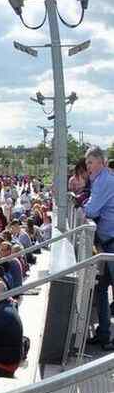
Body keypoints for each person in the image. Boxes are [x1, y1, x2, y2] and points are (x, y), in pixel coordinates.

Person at [83, 147, 114, 351]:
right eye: (87, 164)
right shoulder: (100, 180)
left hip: (111, 242)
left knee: (105, 290)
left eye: (90, 163)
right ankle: (103, 334)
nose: (88, 168)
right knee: (101, 289)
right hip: (105, 243)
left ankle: (108, 336)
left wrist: (82, 206)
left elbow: (92, 209)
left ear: (101, 162)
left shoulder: (104, 180)